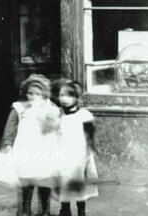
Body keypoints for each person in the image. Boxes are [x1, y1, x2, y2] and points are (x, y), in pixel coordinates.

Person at [0, 74, 60, 216]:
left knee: (44, 180)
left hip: (45, 149)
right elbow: (10, 127)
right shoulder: (19, 108)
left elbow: (58, 128)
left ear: (44, 94)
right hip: (25, 148)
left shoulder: (51, 109)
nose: (33, 97)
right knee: (26, 180)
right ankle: (24, 210)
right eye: (30, 93)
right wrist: (8, 143)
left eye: (37, 94)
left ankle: (44, 210)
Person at [54, 81, 98, 216]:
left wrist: (90, 152)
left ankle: (81, 210)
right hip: (62, 155)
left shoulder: (84, 115)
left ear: (76, 97)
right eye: (61, 95)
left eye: (69, 95)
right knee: (64, 182)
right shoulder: (57, 114)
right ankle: (65, 209)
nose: (64, 99)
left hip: (80, 155)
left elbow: (90, 136)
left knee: (79, 184)